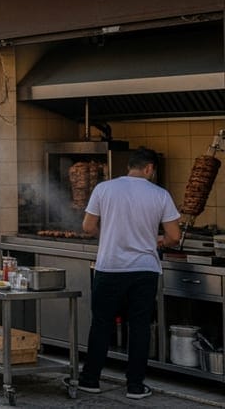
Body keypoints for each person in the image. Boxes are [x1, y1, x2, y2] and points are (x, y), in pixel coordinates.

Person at [75, 148, 180, 400]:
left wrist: (112, 233)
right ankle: (135, 386)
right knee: (140, 326)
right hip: (144, 269)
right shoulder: (160, 194)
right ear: (150, 169)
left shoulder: (104, 189)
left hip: (109, 266)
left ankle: (90, 380)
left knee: (101, 323)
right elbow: (175, 236)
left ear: (129, 167)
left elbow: (88, 227)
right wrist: (159, 241)